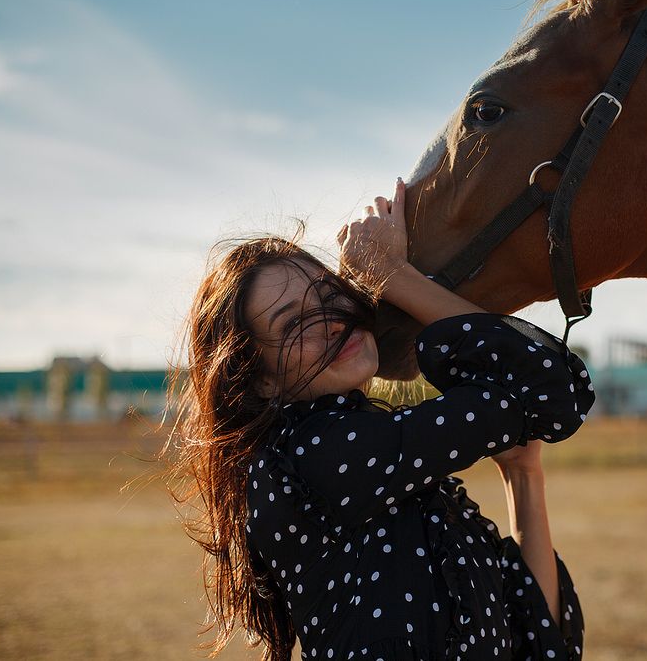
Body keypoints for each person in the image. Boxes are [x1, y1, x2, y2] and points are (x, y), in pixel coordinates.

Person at [165, 178, 595, 660]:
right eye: (293, 323)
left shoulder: (407, 488)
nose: (330, 319)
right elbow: (553, 389)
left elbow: (540, 639)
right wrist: (395, 275)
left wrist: (524, 476)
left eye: (330, 294)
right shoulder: (310, 458)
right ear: (261, 381)